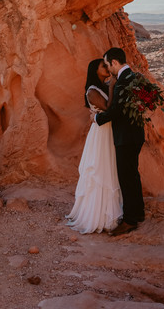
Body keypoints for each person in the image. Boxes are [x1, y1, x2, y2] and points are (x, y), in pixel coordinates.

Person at [65, 58, 122, 233]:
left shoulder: (103, 86)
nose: (106, 68)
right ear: (95, 71)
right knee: (100, 170)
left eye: (107, 65)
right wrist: (112, 85)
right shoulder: (91, 91)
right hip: (101, 133)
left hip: (109, 131)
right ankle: (97, 215)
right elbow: (108, 107)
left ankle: (110, 210)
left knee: (110, 169)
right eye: (103, 66)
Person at [94, 46, 145, 235]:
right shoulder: (135, 77)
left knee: (126, 178)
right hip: (136, 135)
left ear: (115, 62)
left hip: (126, 137)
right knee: (133, 175)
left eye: (108, 65)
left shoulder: (124, 82)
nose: (108, 69)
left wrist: (97, 119)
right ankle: (138, 213)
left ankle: (130, 220)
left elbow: (116, 110)